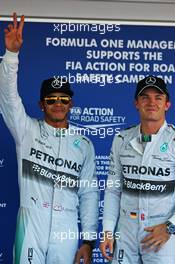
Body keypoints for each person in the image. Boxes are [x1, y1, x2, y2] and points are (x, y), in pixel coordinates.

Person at [0, 13, 99, 264]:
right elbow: (9, 99)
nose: (58, 103)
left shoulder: (84, 145)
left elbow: (88, 194)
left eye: (63, 99)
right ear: (41, 104)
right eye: (51, 99)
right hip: (32, 221)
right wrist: (11, 56)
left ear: (71, 104)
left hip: (66, 226)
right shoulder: (26, 130)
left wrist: (88, 241)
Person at [100, 75, 175, 263]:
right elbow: (113, 189)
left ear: (167, 104)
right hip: (126, 233)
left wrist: (170, 227)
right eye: (145, 97)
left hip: (162, 234)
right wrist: (108, 231)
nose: (151, 102)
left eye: (158, 97)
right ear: (136, 103)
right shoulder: (121, 139)